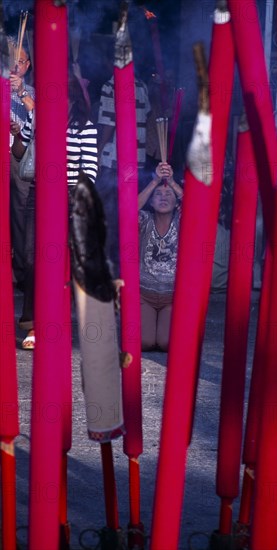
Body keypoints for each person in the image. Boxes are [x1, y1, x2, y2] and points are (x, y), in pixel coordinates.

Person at [11, 73, 98, 350]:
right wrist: (20, 133)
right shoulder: (38, 118)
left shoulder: (85, 126)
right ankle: (33, 324)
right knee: (31, 257)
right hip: (39, 192)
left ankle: (70, 322)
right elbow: (19, 152)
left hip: (71, 194)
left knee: (70, 263)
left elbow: (91, 169)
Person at [96, 73, 151, 277]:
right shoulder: (142, 85)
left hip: (113, 161)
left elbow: (109, 123)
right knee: (129, 217)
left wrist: (99, 150)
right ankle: (126, 271)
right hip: (136, 161)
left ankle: (109, 271)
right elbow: (147, 115)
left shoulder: (110, 85)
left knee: (107, 217)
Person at [138, 161, 183, 351]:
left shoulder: (182, 221)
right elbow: (128, 209)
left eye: (168, 195)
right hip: (144, 295)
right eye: (158, 194)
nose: (163, 198)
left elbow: (199, 207)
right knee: (145, 343)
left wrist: (171, 182)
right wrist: (155, 181)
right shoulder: (145, 220)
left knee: (166, 344)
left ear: (176, 202)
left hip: (171, 298)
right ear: (150, 201)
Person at [8, 38, 35, 290]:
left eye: (20, 61)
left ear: (26, 66)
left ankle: (20, 272)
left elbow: (40, 116)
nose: (15, 66)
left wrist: (21, 92)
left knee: (20, 215)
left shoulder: (32, 91)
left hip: (20, 158)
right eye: (11, 60)